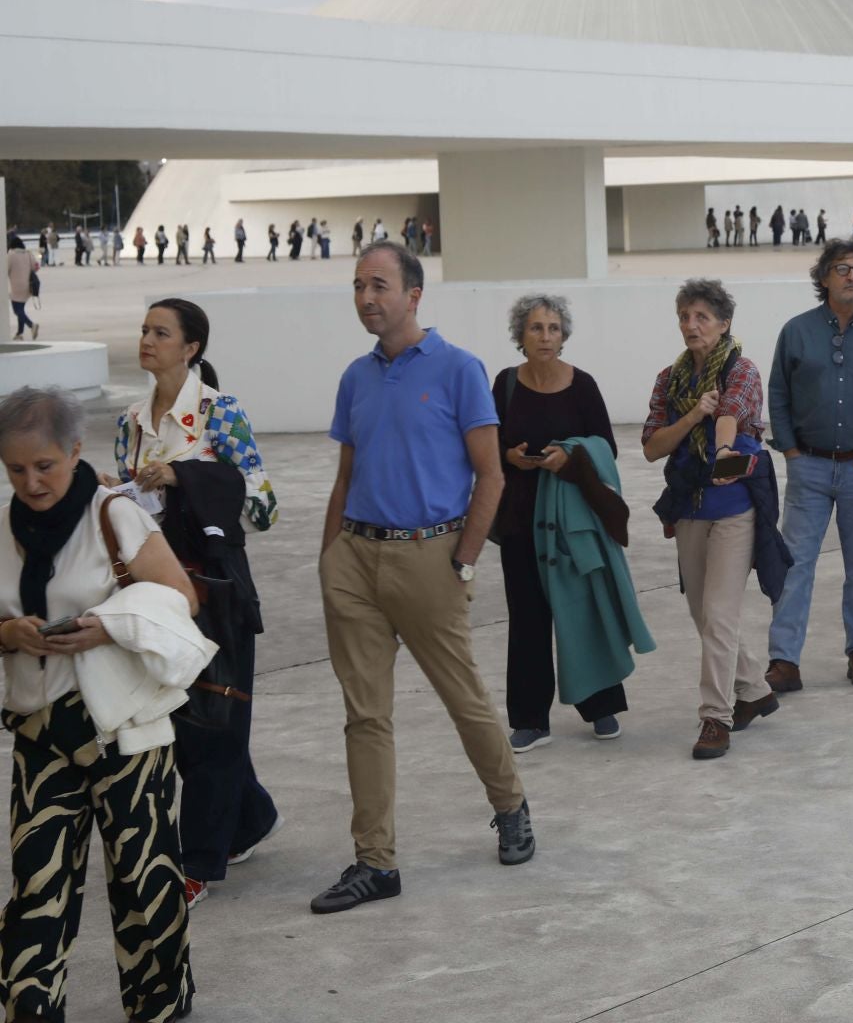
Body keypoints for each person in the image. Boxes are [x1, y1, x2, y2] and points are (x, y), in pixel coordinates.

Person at [310, 241, 531, 915]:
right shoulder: (356, 377)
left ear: (413, 295)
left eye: (379, 284)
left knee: (463, 698)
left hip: (428, 559)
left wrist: (463, 559)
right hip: (356, 560)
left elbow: (490, 474)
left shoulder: (460, 370)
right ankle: (375, 861)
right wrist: (329, 560)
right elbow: (346, 476)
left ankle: (511, 804)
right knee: (365, 716)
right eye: (357, 286)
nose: (366, 297)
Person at [0, 385, 204, 1022]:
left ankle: (160, 1006)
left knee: (143, 882)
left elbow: (181, 597)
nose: (32, 482)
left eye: (45, 466)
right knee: (36, 888)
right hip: (40, 729)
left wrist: (109, 624)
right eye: (15, 469)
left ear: (75, 451)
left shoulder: (113, 514)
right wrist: (8, 632)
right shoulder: (2, 528)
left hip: (123, 729)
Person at [116, 298, 281, 909]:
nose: (147, 340)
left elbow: (263, 505)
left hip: (216, 589)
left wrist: (185, 477)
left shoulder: (220, 412)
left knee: (215, 723)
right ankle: (252, 816)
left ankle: (199, 861)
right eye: (144, 330)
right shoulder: (130, 421)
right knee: (185, 724)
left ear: (192, 348)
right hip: (155, 589)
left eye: (161, 332)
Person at [493, 294, 646, 753]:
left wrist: (571, 457)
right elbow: (487, 443)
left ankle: (601, 707)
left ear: (564, 336)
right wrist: (510, 457)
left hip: (573, 520)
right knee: (528, 619)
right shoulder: (504, 384)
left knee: (583, 609)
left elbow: (607, 449)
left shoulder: (582, 386)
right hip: (521, 520)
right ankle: (529, 719)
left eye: (553, 328)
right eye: (536, 328)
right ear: (520, 336)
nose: (545, 336)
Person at [644, 279, 783, 759]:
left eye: (702, 316)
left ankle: (714, 718)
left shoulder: (741, 370)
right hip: (688, 506)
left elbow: (729, 415)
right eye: (685, 316)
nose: (691, 325)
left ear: (724, 324)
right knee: (702, 613)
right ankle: (755, 689)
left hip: (734, 509)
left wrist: (722, 447)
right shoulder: (670, 379)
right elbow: (651, 446)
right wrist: (688, 420)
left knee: (720, 614)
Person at [765, 239, 853, 692]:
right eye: (842, 269)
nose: (852, 276)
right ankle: (784, 661)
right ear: (823, 278)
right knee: (796, 564)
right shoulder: (797, 331)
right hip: (810, 467)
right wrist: (790, 451)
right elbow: (778, 393)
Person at [8, 234, 39, 341]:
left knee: (17, 310)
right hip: (27, 286)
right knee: (20, 309)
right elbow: (35, 267)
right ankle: (19, 333)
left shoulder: (11, 255)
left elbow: (5, 270)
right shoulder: (28, 253)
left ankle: (31, 325)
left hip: (15, 287)